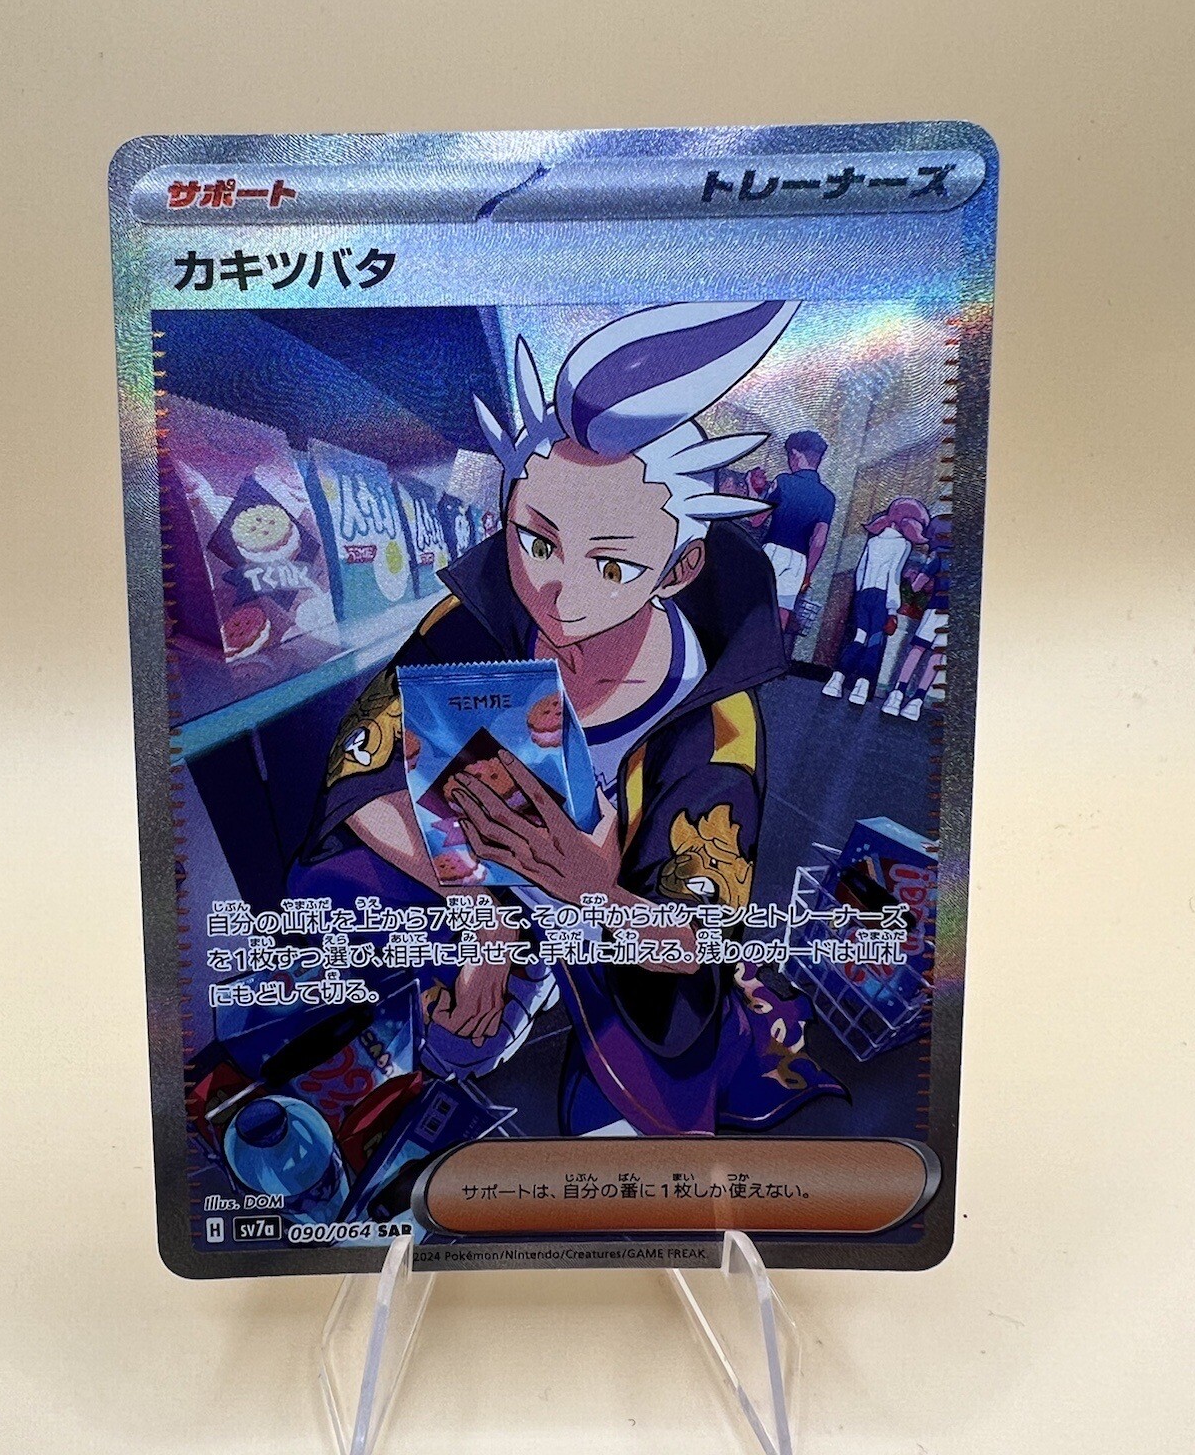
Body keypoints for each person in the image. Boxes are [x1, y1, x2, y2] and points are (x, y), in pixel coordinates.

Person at [297, 302, 841, 1136]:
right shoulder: (476, 619)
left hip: (614, 911)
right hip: (476, 874)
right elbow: (360, 767)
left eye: (612, 564)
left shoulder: (716, 718)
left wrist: (589, 891)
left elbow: (697, 936)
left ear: (679, 567)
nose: (556, 591)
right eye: (536, 541)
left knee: (656, 1074)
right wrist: (484, 917)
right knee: (333, 897)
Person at [822, 497, 930, 707]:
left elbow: (860, 571)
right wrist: (892, 608)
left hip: (863, 596)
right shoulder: (903, 545)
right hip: (882, 598)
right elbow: (893, 576)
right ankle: (861, 687)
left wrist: (860, 594)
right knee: (874, 641)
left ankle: (836, 680)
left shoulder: (873, 541)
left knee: (858, 638)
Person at [762, 431, 836, 656]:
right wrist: (808, 573)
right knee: (783, 610)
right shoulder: (827, 497)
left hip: (772, 551)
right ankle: (768, 659)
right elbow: (819, 540)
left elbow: (757, 519)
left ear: (795, 454)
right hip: (799, 561)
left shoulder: (783, 482)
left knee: (756, 603)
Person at [882, 513, 948, 721]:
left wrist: (912, 577)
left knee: (918, 650)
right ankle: (917, 701)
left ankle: (897, 693)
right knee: (937, 655)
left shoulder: (940, 557)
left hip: (935, 609)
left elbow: (917, 586)